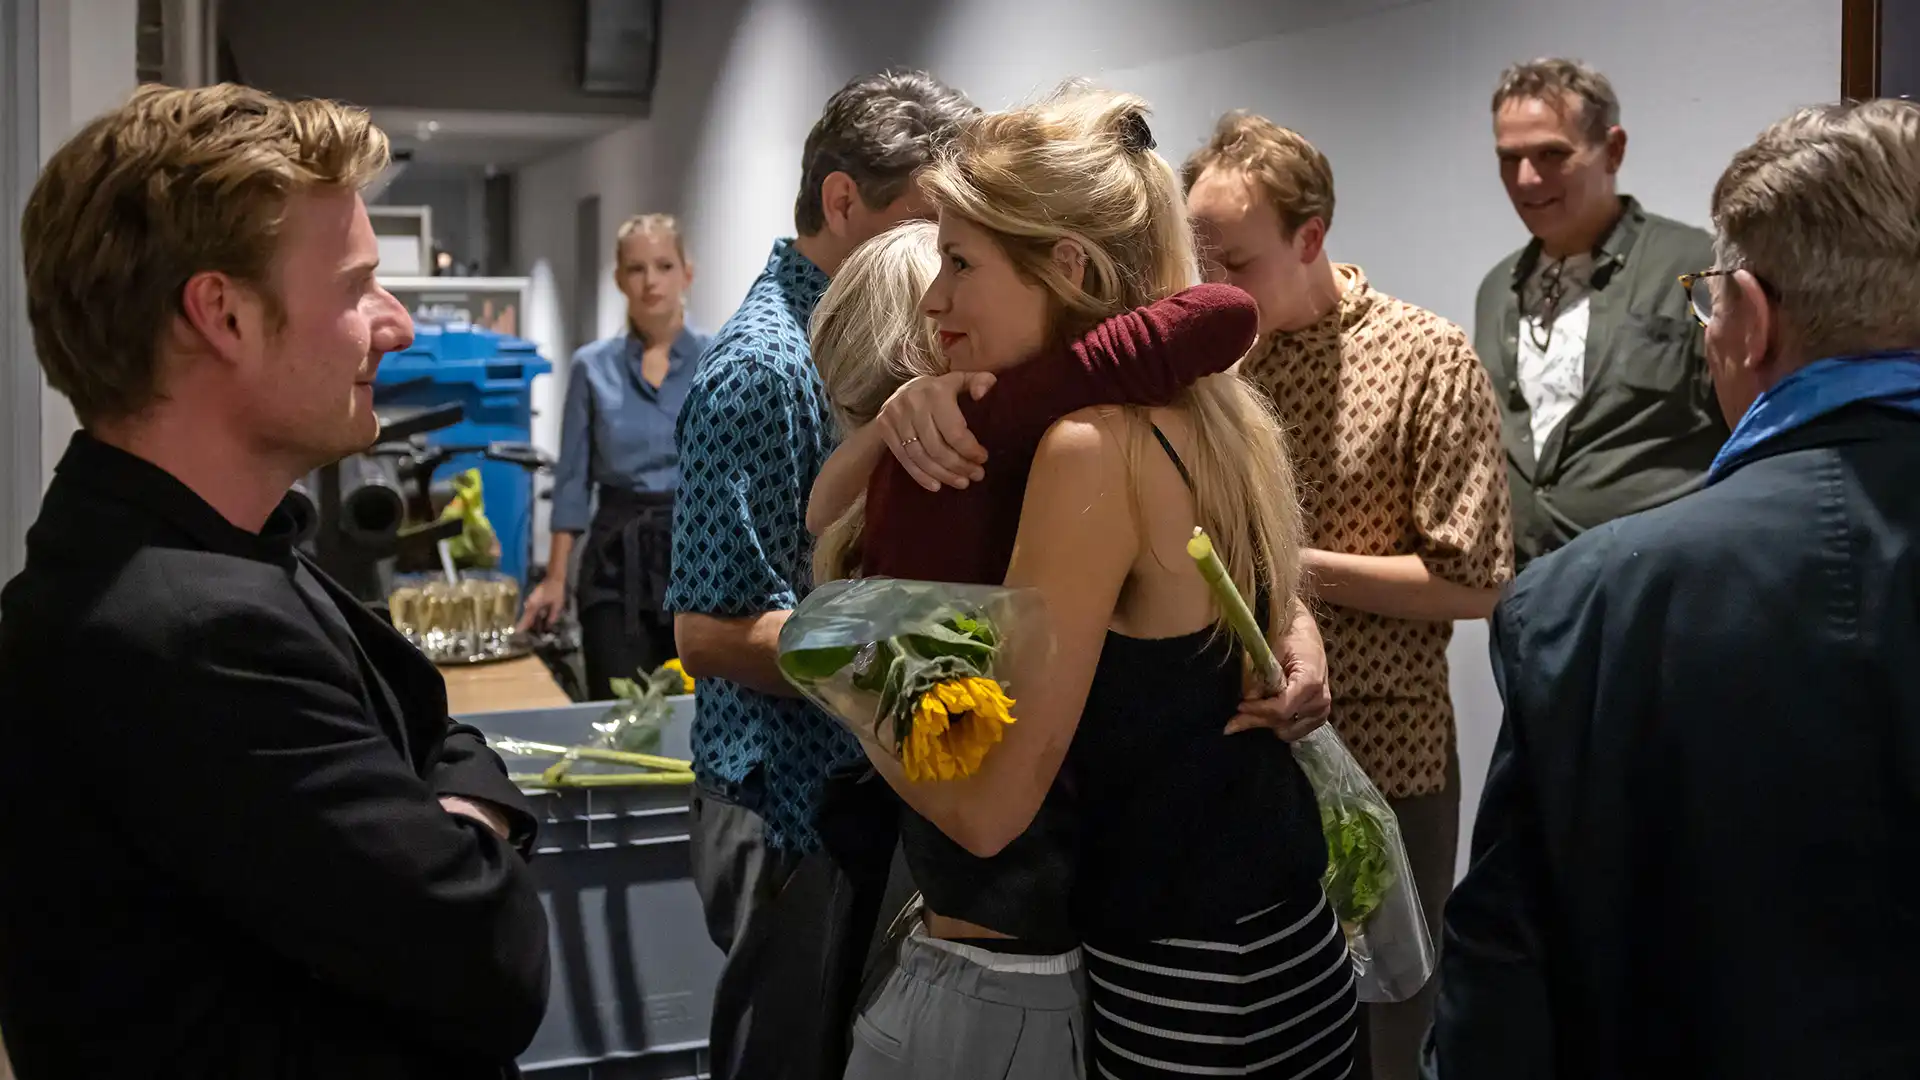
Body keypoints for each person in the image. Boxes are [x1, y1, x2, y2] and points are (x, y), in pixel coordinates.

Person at [0, 84, 548, 1079]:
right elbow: (489, 957)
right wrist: (472, 817)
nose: (396, 326)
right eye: (356, 287)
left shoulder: (222, 552)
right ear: (223, 315)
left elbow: (440, 736)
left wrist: (446, 798)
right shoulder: (188, 633)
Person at [842, 87, 1356, 1080]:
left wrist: (839, 667)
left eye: (959, 263)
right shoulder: (1209, 410)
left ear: (1069, 270)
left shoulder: (1089, 448)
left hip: (1188, 974)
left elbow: (992, 807)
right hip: (1285, 932)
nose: (933, 299)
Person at [1425, 97, 1920, 1079]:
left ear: (1752, 321)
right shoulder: (1497, 293)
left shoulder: (1582, 609)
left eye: (1713, 303)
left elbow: (1504, 993)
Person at [1183, 110, 1513, 1080]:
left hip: (1387, 756)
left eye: (1235, 261)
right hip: (1236, 750)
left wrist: (1288, 563)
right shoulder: (1215, 368)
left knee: (1390, 1034)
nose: (1213, 285)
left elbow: (1474, 583)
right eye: (1201, 260)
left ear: (1310, 237)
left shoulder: (1424, 356)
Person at [663, 70, 976, 1080]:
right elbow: (708, 633)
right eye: (929, 223)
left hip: (841, 797)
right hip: (782, 805)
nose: (946, 263)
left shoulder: (864, 342)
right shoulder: (766, 367)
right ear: (843, 200)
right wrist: (917, 655)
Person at [1476, 58, 1727, 568]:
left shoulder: (1695, 266)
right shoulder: (1497, 289)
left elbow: (1753, 429)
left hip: (1656, 585)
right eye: (1509, 158)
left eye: (1551, 154)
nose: (1526, 179)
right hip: (1526, 590)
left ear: (1613, 150)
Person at [521, 213, 711, 700]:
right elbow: (572, 480)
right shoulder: (592, 366)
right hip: (613, 559)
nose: (651, 282)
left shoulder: (718, 359)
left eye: (664, 266)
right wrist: (555, 579)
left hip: (698, 554)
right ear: (619, 279)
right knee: (616, 708)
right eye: (636, 269)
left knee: (696, 708)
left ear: (687, 273)